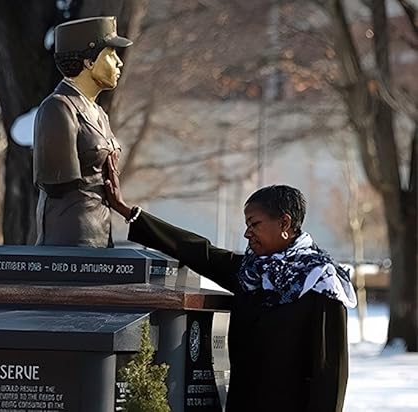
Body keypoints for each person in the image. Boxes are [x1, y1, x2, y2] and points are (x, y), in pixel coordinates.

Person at [104, 153, 357, 412]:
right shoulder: (250, 273)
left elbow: (330, 375)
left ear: (284, 223)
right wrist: (129, 212)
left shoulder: (321, 282)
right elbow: (197, 250)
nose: (248, 233)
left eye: (254, 224)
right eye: (247, 224)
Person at [33, 16, 132, 247]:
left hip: (100, 240)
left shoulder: (98, 113)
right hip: (70, 243)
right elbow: (57, 184)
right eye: (111, 54)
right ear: (89, 61)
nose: (119, 63)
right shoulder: (58, 108)